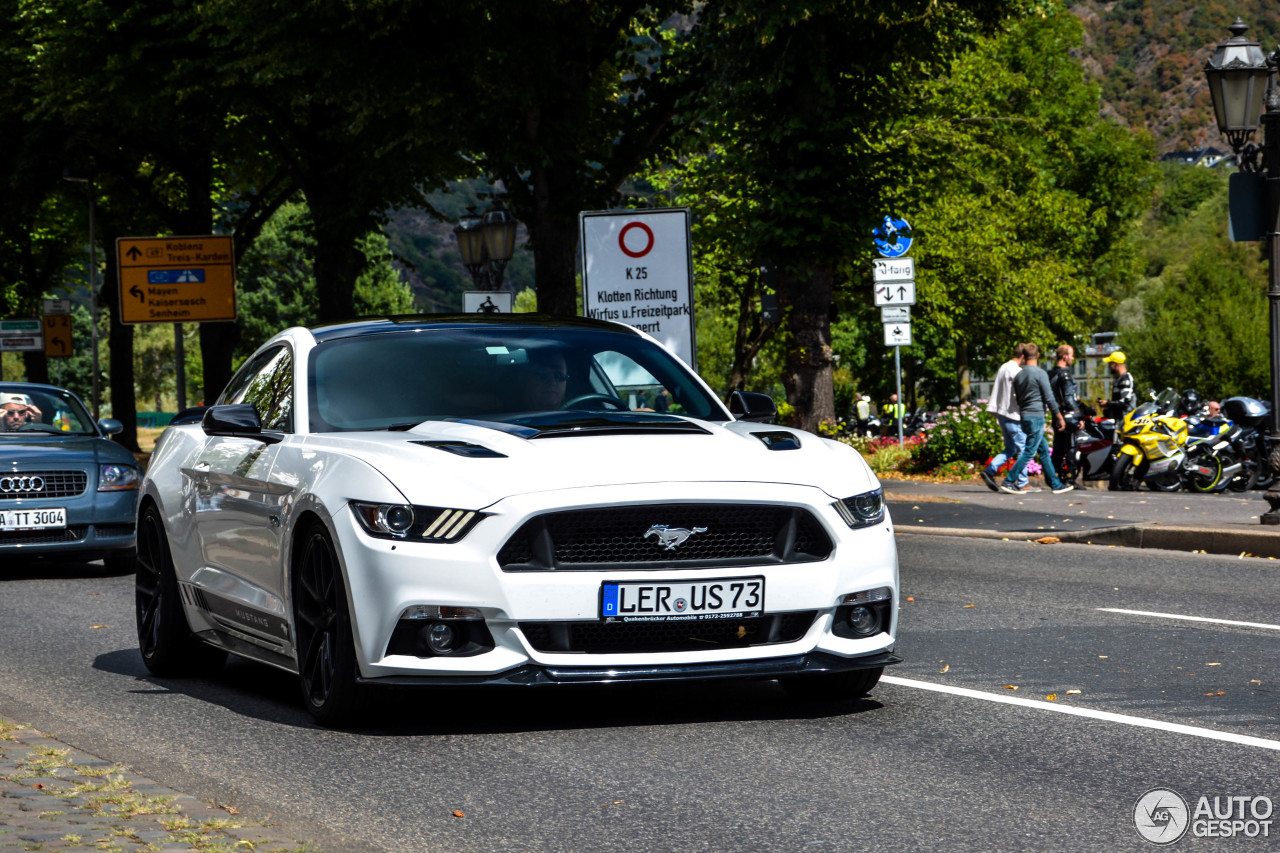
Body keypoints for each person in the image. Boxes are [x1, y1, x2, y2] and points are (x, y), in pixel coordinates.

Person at [1000, 344, 1073, 494]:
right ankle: (1008, 481)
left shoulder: (1019, 375)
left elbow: (1018, 399)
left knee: (1044, 451)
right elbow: (1049, 397)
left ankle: (1055, 484)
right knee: (1029, 452)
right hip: (1037, 416)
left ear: (1024, 356)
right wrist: (1059, 416)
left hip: (1025, 416)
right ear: (1038, 355)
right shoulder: (1040, 374)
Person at [980, 344, 1029, 492]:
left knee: (1009, 448)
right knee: (1023, 449)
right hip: (1013, 414)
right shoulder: (1017, 371)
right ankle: (1022, 482)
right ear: (1023, 356)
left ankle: (990, 470)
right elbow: (1018, 395)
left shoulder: (1003, 367)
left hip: (1002, 413)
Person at [1047, 344, 1082, 484]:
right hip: (1067, 414)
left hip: (1056, 413)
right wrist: (1078, 415)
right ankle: (1070, 478)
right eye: (1071, 354)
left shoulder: (1050, 373)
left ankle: (1054, 477)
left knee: (1058, 448)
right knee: (1071, 446)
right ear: (1064, 356)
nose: (1073, 358)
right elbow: (1069, 398)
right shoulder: (1065, 374)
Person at [1099, 351, 1136, 420]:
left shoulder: (1126, 379)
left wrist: (1108, 403)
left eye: (1110, 363)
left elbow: (1124, 403)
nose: (1109, 366)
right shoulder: (1119, 379)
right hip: (1119, 419)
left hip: (1126, 420)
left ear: (1115, 364)